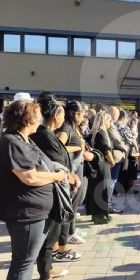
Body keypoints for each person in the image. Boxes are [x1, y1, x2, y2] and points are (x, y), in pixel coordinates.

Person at [0, 100, 68, 280]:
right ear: (27, 119)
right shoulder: (11, 142)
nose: (39, 121)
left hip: (36, 211)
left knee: (26, 261)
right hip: (25, 212)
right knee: (22, 262)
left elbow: (44, 162)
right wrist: (57, 177)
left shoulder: (24, 139)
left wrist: (60, 169)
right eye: (37, 117)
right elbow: (30, 177)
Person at [31, 92, 83, 280]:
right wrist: (69, 176)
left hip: (58, 189)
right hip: (51, 191)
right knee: (49, 233)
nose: (63, 118)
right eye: (61, 113)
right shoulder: (43, 135)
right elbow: (54, 163)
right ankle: (44, 278)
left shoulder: (48, 134)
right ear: (55, 115)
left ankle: (48, 267)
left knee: (53, 231)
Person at [55, 101, 86, 245]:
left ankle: (70, 231)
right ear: (76, 114)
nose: (84, 116)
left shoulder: (73, 127)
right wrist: (77, 148)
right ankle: (65, 237)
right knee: (69, 204)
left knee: (74, 204)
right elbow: (58, 148)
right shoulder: (66, 127)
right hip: (71, 170)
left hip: (76, 168)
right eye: (82, 113)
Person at [87, 112, 114, 224]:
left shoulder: (94, 133)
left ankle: (96, 215)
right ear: (104, 120)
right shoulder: (101, 133)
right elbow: (106, 151)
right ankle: (102, 216)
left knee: (95, 190)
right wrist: (112, 162)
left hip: (96, 165)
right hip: (103, 165)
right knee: (103, 191)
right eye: (109, 120)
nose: (110, 123)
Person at [106, 106, 130, 212]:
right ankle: (108, 204)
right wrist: (125, 148)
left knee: (112, 181)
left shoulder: (111, 124)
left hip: (114, 157)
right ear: (114, 115)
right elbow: (117, 140)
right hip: (114, 157)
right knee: (111, 181)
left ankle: (108, 202)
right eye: (116, 113)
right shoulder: (110, 125)